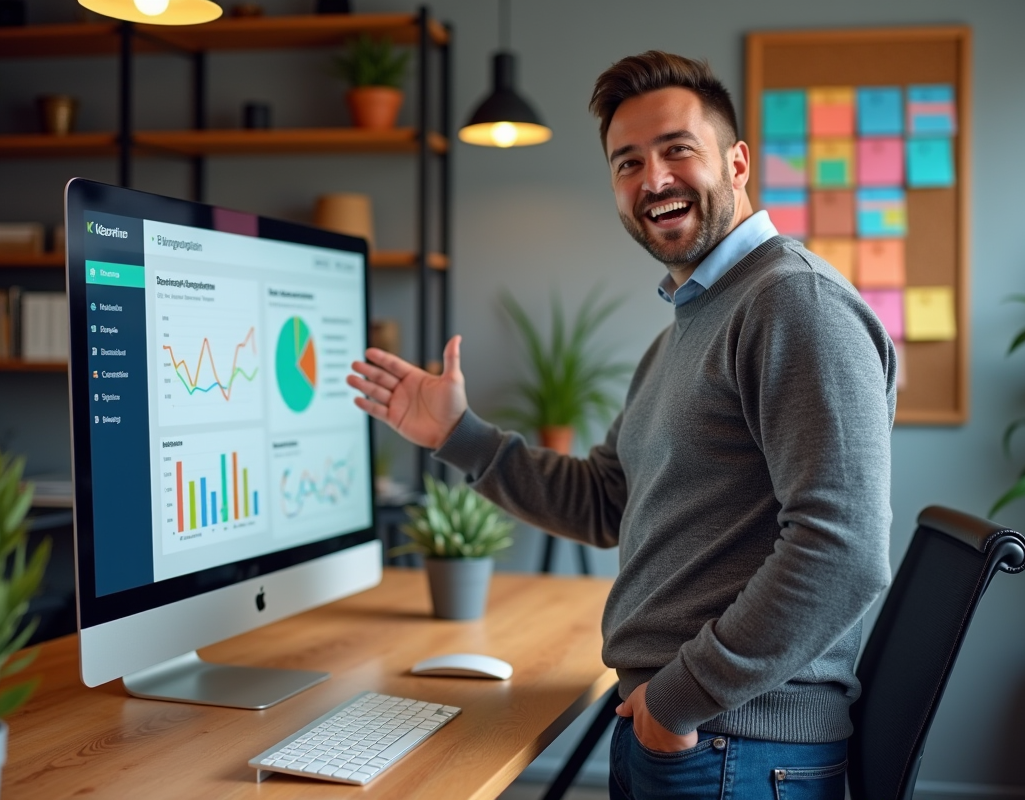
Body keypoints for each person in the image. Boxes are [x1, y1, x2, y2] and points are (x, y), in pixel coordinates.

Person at [347, 51, 896, 800]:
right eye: (627, 163)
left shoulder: (792, 303)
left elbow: (844, 550)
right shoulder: (690, 322)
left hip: (735, 744)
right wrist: (460, 436)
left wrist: (679, 700)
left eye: (677, 150)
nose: (654, 180)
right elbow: (610, 500)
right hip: (698, 735)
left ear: (736, 163)